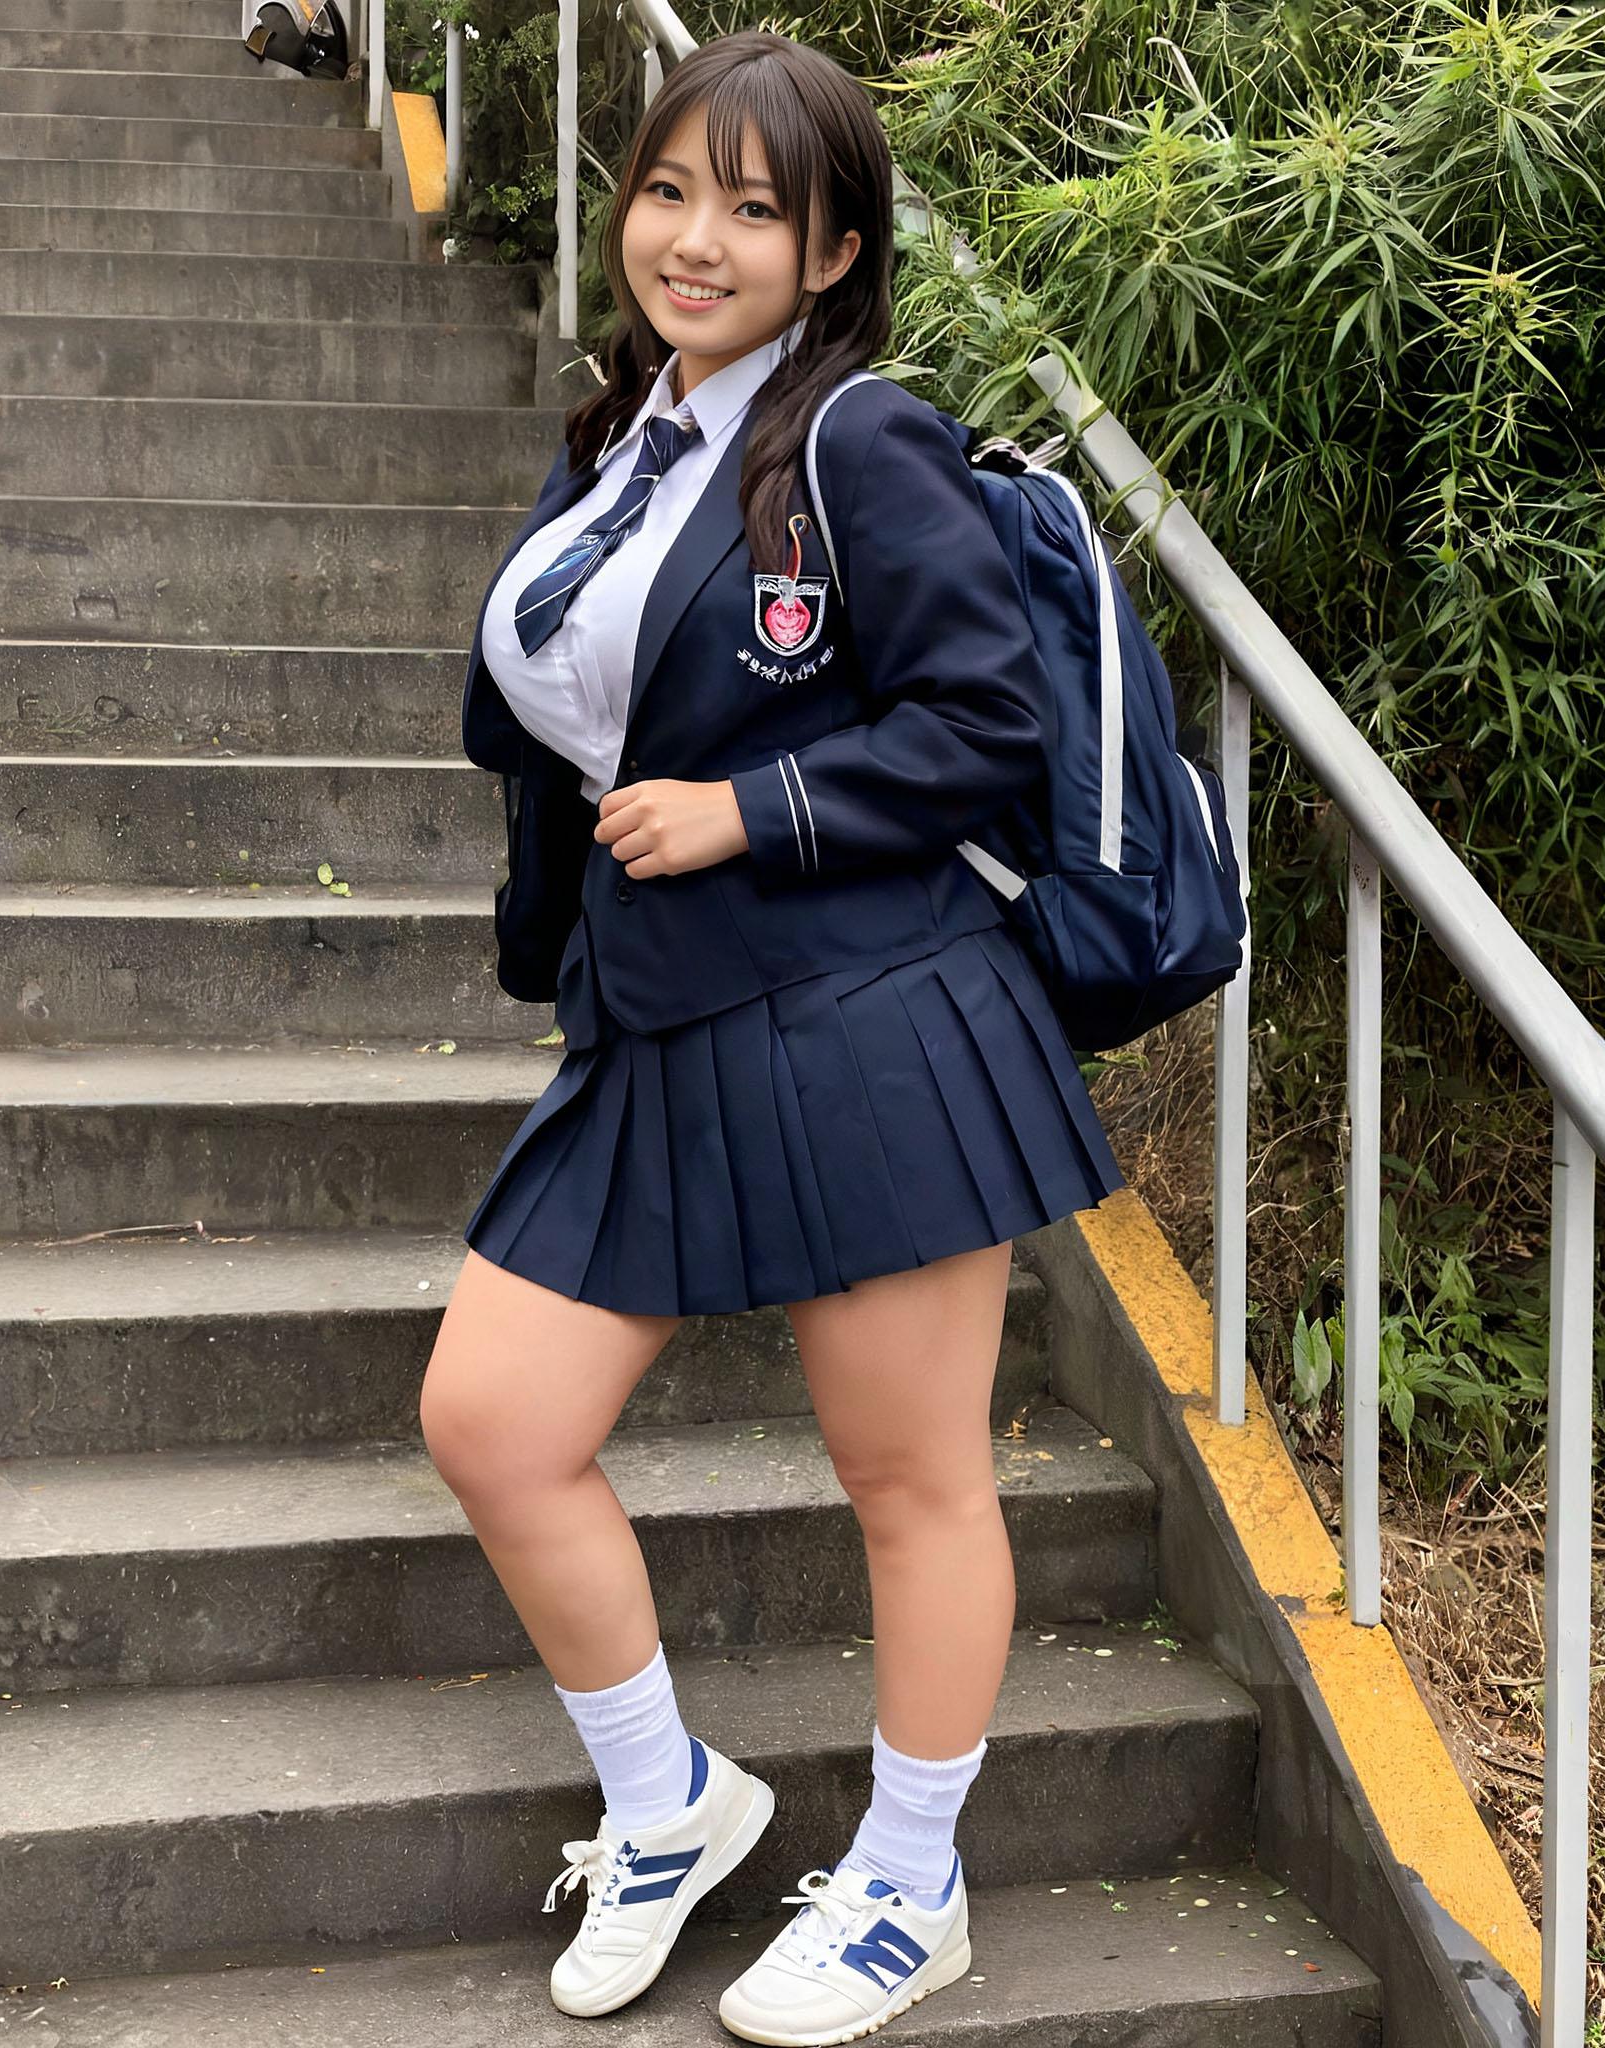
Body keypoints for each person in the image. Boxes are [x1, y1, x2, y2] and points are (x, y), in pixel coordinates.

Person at [418, 28, 1125, 2046]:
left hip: (870, 1012)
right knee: (492, 1419)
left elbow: (986, 725)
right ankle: (669, 1806)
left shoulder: (863, 442)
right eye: (667, 191)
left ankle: (912, 1880)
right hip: (656, 1019)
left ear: (831, 253)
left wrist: (753, 810)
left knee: (908, 1475)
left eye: (753, 207)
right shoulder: (615, 440)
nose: (695, 238)